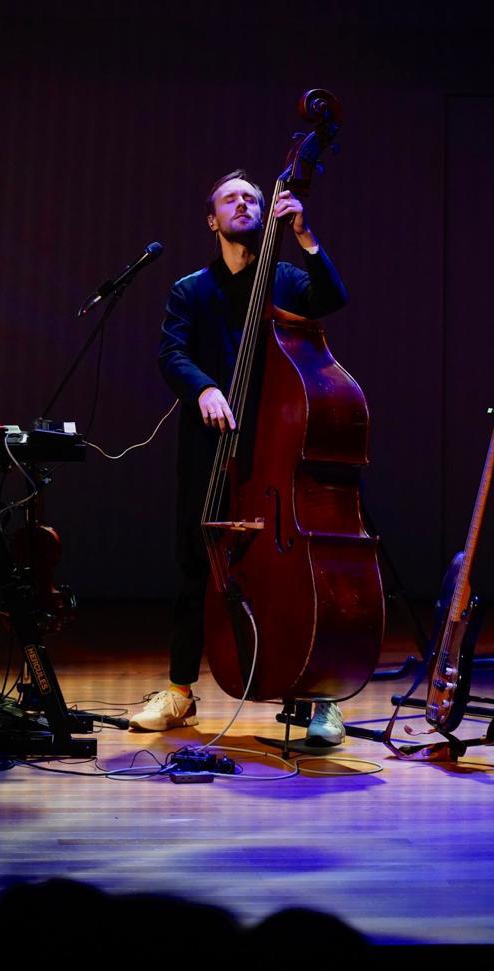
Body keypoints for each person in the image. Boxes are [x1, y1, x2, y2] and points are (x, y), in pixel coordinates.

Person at [129, 170, 349, 743]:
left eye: (253, 197)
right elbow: (171, 353)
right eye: (231, 198)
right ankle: (180, 693)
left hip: (278, 447)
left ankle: (318, 697)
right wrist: (203, 387)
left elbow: (332, 299)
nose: (244, 203)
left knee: (294, 573)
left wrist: (304, 236)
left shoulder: (286, 279)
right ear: (213, 220)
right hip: (210, 444)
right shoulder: (191, 290)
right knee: (194, 563)